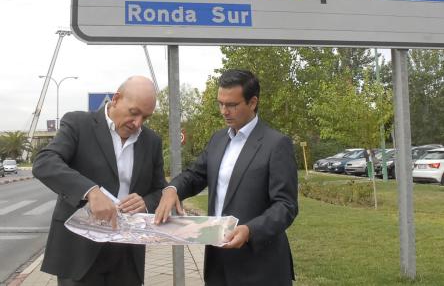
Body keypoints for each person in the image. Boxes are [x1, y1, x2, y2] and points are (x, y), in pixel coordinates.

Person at [155, 69, 298, 286]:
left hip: (259, 266)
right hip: (217, 264)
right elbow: (195, 175)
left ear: (252, 102)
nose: (224, 111)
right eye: (220, 104)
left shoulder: (276, 144)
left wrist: (250, 231)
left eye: (231, 105)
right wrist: (172, 189)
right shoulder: (218, 139)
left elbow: (286, 206)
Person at [32, 75, 166, 286]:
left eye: (145, 117)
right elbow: (45, 162)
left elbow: (160, 190)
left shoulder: (152, 141)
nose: (138, 123)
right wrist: (90, 191)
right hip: (79, 252)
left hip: (127, 255)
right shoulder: (78, 124)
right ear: (116, 99)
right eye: (134, 112)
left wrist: (146, 202)